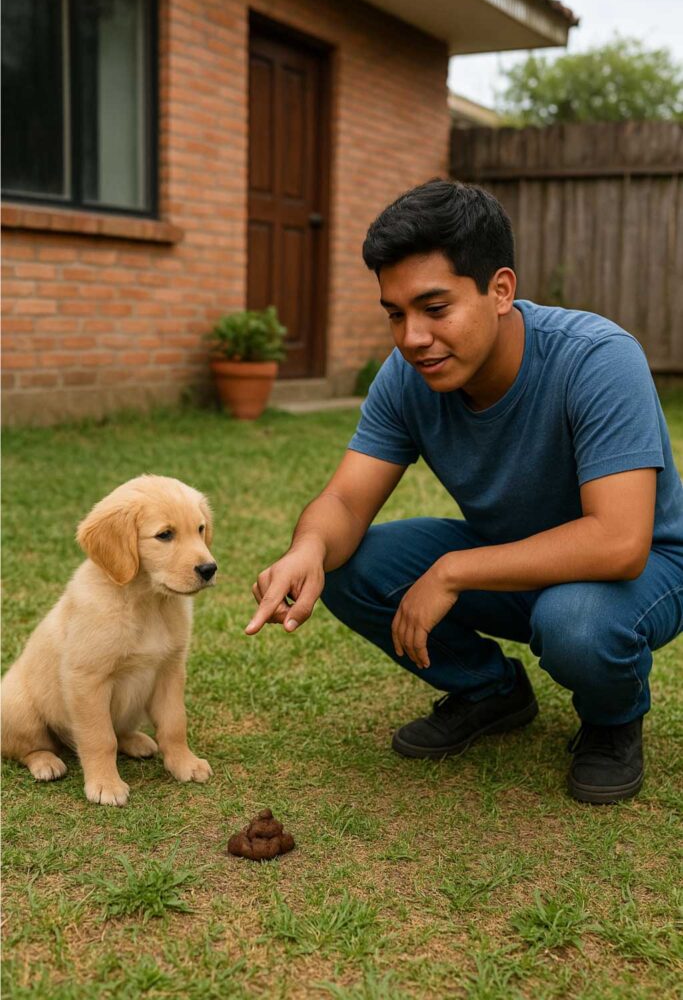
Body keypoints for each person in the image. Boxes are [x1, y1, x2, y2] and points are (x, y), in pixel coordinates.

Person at [246, 179, 683, 804]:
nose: (411, 337)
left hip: (648, 567)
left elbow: (620, 542)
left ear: (500, 290)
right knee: (347, 564)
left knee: (577, 622)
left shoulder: (598, 359)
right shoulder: (408, 375)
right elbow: (343, 501)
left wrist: (452, 571)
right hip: (512, 551)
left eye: (434, 308)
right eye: (395, 313)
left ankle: (613, 721)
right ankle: (491, 691)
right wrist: (308, 549)